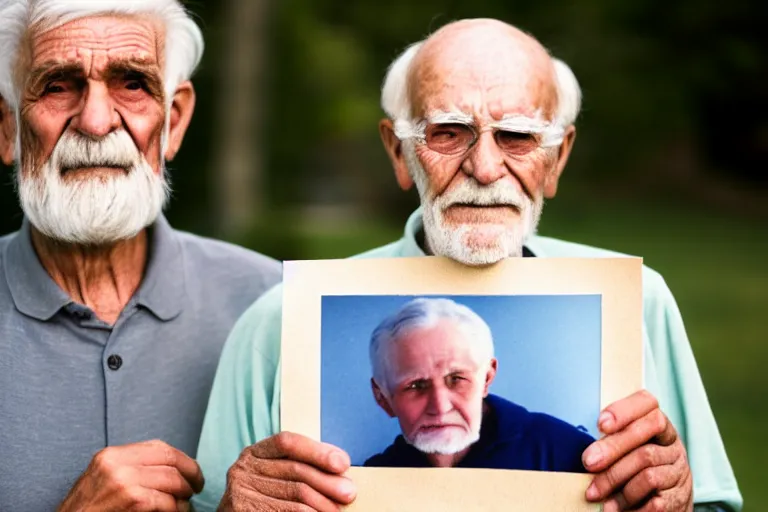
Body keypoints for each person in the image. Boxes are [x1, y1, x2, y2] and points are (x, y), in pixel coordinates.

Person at [194, 18, 742, 512]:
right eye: (448, 132)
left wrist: (678, 498)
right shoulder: (279, 318)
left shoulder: (641, 300)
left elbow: (709, 503)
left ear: (558, 157)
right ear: (398, 152)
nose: (484, 168)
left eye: (518, 136)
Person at [0, 1, 280, 511]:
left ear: (173, 119)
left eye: (132, 83)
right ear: (7, 127)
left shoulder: (273, 306)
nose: (96, 121)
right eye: (58, 84)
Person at [364, 297, 595, 471]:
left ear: (486, 379)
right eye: (416, 386)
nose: (441, 407)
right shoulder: (368, 483)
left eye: (456, 379)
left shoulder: (569, 452)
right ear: (382, 398)